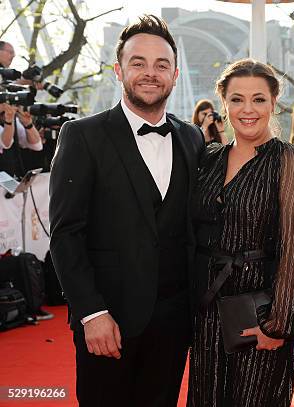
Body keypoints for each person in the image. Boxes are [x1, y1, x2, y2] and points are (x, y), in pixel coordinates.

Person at [49, 15, 203, 406]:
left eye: (161, 65)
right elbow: (66, 234)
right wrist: (90, 313)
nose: (150, 73)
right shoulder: (82, 135)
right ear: (119, 70)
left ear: (175, 73)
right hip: (108, 322)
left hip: (174, 324)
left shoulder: (192, 138)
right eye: (138, 63)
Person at [188, 59, 294, 406]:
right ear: (223, 103)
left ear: (274, 102)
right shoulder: (210, 158)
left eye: (258, 99)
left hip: (259, 313)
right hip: (207, 311)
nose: (247, 110)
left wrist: (280, 324)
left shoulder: (290, 160)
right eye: (237, 99)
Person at [0, 104, 43, 177]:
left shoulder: (13, 119)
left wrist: (28, 124)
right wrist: (9, 122)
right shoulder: (9, 119)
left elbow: (37, 146)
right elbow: (6, 144)